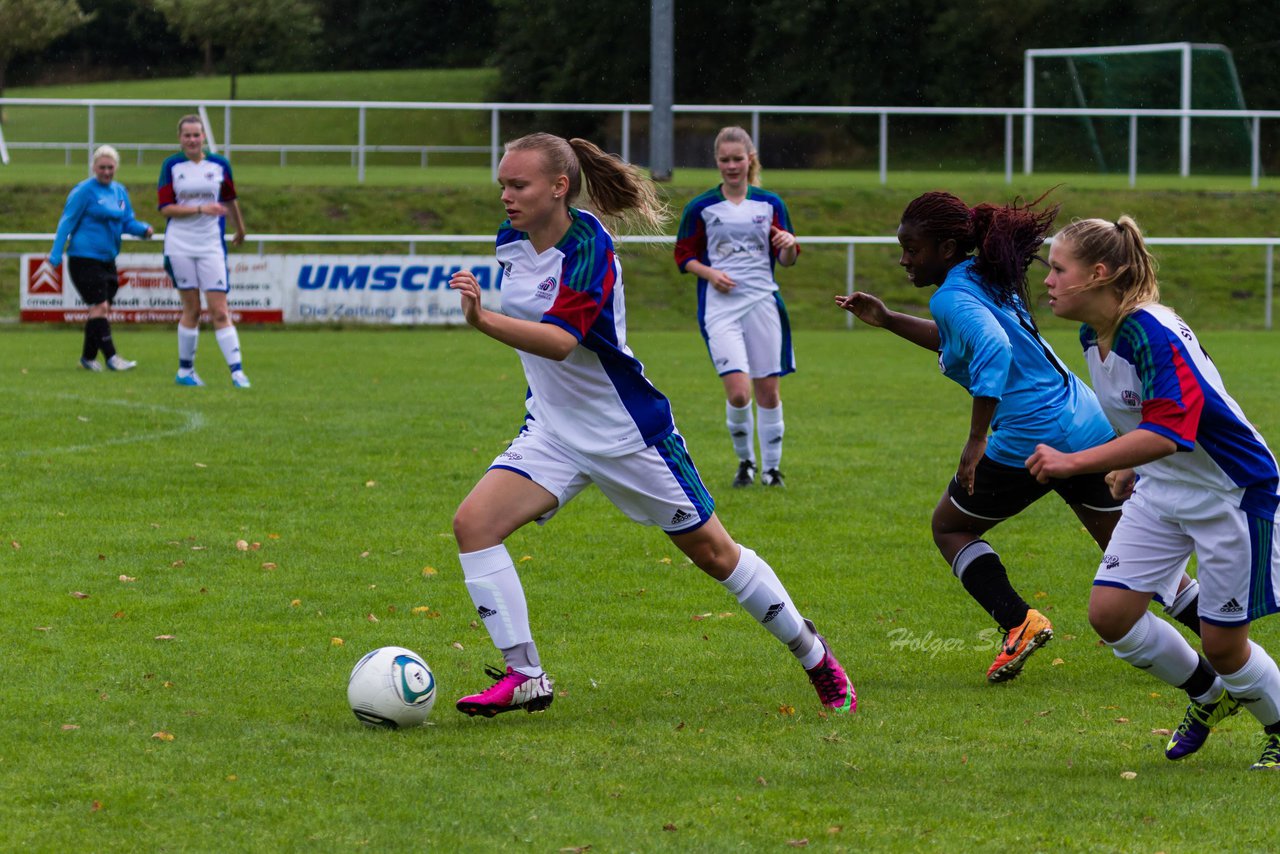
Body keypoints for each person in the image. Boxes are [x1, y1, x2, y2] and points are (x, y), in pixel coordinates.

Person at [446, 132, 854, 718]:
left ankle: (815, 656)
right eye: (503, 185)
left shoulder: (591, 246)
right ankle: (526, 674)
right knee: (474, 525)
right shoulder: (511, 240)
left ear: (559, 188)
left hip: (627, 432)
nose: (506, 196)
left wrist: (484, 319)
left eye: (519, 185)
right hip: (554, 432)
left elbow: (562, 343)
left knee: (717, 556)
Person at [835, 190, 1201, 684]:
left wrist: (975, 439)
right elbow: (960, 336)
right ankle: (1227, 632)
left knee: (950, 528)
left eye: (912, 249)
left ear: (946, 249)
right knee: (1140, 564)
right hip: (1083, 421)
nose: (904, 259)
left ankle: (1019, 621)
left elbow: (992, 348)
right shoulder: (978, 277)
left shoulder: (951, 294)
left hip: (1030, 435)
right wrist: (888, 320)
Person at [1027, 216, 1280, 770]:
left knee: (1225, 645)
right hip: (1164, 487)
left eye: (1057, 268)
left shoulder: (1151, 332)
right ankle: (1208, 694)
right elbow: (1143, 418)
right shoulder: (1094, 333)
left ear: (1097, 274)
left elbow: (1168, 433)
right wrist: (1127, 467)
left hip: (1230, 494)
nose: (1046, 279)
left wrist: (1075, 461)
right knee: (1112, 614)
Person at [674, 127, 799, 488]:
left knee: (768, 393)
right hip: (720, 307)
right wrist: (710, 274)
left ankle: (772, 470)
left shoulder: (770, 204)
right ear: (717, 162)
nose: (731, 166)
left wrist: (789, 243)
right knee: (739, 392)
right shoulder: (701, 207)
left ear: (750, 159)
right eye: (724, 160)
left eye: (737, 159)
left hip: (762, 302)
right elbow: (683, 255)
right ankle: (745, 464)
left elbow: (787, 259)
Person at [158, 114, 250, 388]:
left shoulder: (219, 165)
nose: (192, 140)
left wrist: (240, 229)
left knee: (220, 310)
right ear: (180, 138)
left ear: (204, 137)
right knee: (192, 309)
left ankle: (237, 372)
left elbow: (230, 199)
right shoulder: (171, 165)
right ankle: (185, 372)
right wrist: (200, 209)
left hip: (211, 245)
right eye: (187, 135)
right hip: (180, 244)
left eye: (196, 135)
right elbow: (165, 208)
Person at [44, 144, 153, 372]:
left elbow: (126, 220)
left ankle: (87, 358)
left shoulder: (120, 193)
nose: (106, 172)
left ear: (116, 168)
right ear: (94, 167)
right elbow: (67, 222)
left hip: (108, 260)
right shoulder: (84, 191)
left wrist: (142, 229)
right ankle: (112, 358)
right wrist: (55, 255)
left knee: (99, 310)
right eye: (102, 167)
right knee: (100, 307)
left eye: (110, 167)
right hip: (83, 259)